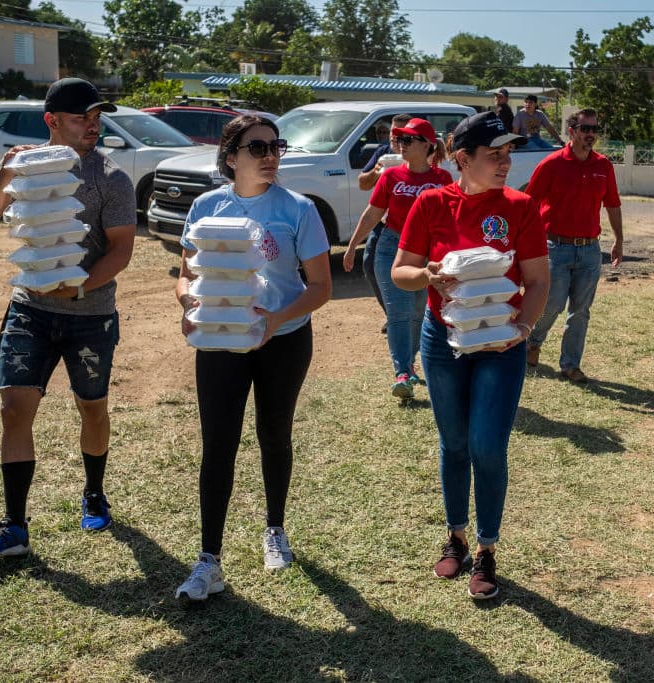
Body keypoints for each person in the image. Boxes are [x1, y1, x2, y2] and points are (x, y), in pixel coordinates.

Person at [0, 78, 136, 557]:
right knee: (14, 408)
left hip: (91, 316)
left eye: (97, 117)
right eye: (83, 117)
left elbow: (121, 250)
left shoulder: (111, 177)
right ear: (52, 120)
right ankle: (15, 526)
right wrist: (3, 173)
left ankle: (94, 492)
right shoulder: (25, 170)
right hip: (30, 310)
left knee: (92, 408)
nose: (93, 126)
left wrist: (80, 284)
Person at [173, 115, 332, 605]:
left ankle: (275, 530)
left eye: (274, 146)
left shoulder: (298, 209)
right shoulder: (205, 206)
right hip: (221, 340)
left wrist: (276, 319)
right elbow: (184, 275)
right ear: (230, 158)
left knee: (273, 433)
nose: (269, 155)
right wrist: (189, 305)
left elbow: (321, 287)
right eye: (257, 147)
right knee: (218, 444)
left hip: (282, 339)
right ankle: (208, 561)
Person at [391, 111, 549, 600]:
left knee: (486, 446)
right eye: (493, 155)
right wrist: (429, 277)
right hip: (442, 340)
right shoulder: (432, 203)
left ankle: (487, 549)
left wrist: (523, 329)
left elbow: (539, 279)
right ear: (462, 158)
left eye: (508, 155)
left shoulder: (520, 207)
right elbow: (401, 271)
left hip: (500, 346)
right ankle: (456, 536)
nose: (505, 164)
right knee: (454, 442)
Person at [344, 118, 451, 399]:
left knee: (418, 312)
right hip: (393, 247)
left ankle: (411, 363)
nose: (400, 145)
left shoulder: (442, 179)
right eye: (399, 140)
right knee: (399, 311)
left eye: (408, 140)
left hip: (427, 254)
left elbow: (450, 220)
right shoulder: (391, 176)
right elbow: (372, 214)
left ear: (427, 145)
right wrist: (353, 245)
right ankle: (401, 371)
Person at [525, 108, 622, 382]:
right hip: (555, 247)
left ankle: (570, 365)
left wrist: (619, 240)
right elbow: (528, 204)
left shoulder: (603, 166)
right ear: (572, 131)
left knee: (580, 310)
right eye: (585, 129)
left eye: (594, 129)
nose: (590, 134)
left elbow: (612, 204)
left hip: (591, 250)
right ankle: (533, 341)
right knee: (552, 303)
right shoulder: (552, 164)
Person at [357, 113, 412, 324]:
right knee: (370, 265)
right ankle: (392, 315)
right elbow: (363, 183)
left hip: (413, 227)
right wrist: (375, 172)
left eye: (400, 133)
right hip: (384, 224)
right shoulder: (383, 153)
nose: (394, 138)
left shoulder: (421, 154)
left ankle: (415, 317)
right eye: (391, 133)